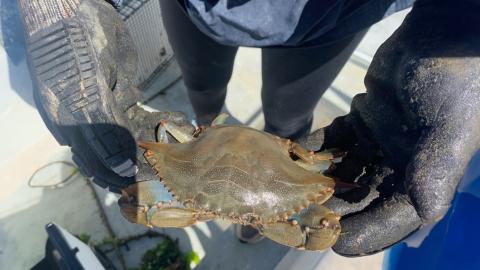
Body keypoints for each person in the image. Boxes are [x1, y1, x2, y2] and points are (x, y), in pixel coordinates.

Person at [16, 0, 480, 256]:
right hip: (195, 7)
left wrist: (464, 24)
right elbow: (138, 202)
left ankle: (255, 212)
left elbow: (316, 229)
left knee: (290, 122)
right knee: (205, 106)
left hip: (332, 13)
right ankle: (235, 174)